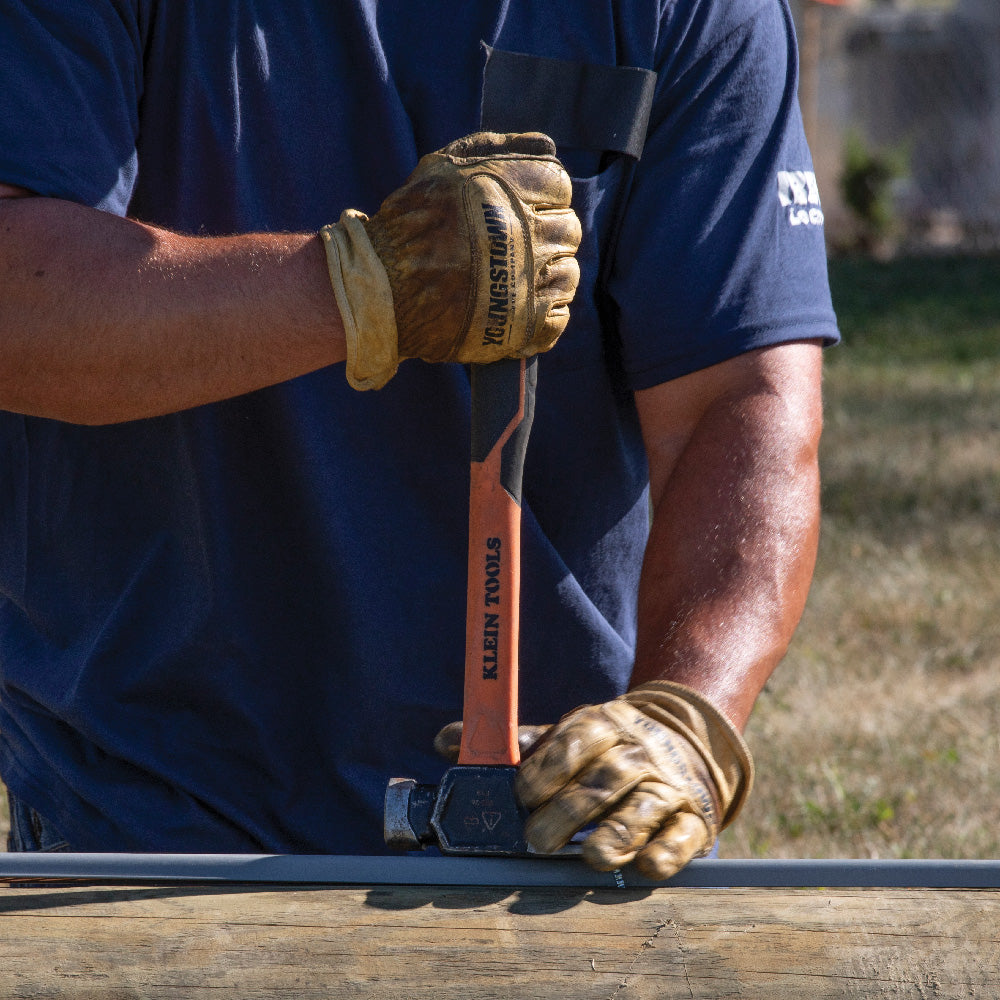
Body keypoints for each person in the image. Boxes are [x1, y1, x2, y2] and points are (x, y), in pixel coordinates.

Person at [0, 0, 838, 877]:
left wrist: (684, 716)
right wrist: (361, 288)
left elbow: (739, 398)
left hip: (552, 820)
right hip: (146, 809)